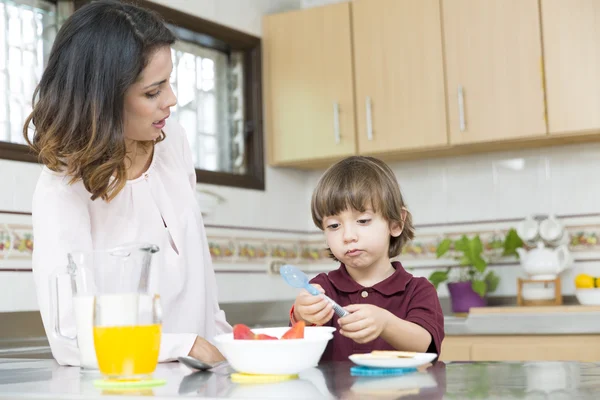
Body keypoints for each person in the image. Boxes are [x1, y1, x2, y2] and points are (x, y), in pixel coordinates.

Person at [23, 0, 230, 366]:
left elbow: (199, 278)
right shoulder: (63, 189)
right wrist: (180, 346)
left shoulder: (173, 141)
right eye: (153, 92)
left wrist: (229, 343)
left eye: (169, 83)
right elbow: (71, 337)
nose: (172, 100)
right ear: (101, 101)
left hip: (201, 379)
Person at [290, 156, 444, 362]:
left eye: (363, 221)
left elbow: (425, 345)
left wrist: (386, 324)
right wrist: (302, 314)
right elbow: (299, 340)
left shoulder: (418, 291)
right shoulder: (322, 288)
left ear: (396, 223)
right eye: (334, 226)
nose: (348, 236)